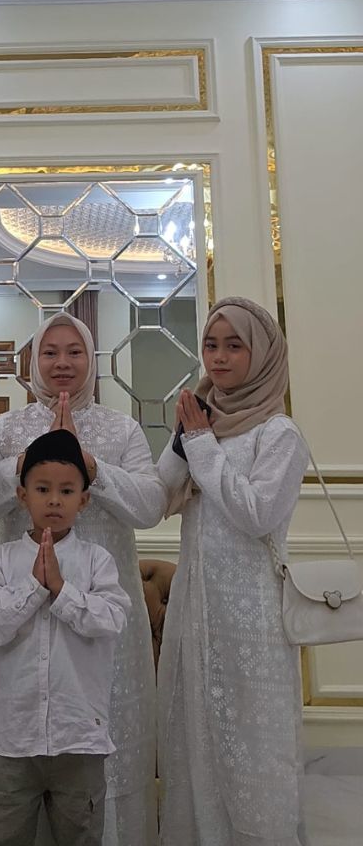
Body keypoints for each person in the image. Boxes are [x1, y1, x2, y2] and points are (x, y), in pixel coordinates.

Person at [0, 312, 166, 846]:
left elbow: (150, 507)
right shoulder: (8, 428)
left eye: (74, 352)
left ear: (90, 360)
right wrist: (32, 458)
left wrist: (89, 465)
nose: (62, 363)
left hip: (101, 607)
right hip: (22, 607)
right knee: (22, 748)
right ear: (34, 361)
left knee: (101, 740)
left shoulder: (121, 429)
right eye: (50, 352)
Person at [156, 296, 309, 846]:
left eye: (234, 346)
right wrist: (185, 438)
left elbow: (255, 513)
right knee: (195, 732)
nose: (218, 358)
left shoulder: (279, 434)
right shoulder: (203, 422)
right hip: (196, 608)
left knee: (253, 739)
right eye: (210, 345)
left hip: (252, 618)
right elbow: (159, 496)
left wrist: (201, 443)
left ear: (262, 354)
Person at [0, 428, 129, 846]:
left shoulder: (97, 561)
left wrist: (61, 589)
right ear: (22, 496)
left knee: (81, 836)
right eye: (42, 489)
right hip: (13, 738)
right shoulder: (3, 560)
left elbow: (112, 620)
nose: (55, 500)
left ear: (84, 499)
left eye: (67, 490)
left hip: (79, 737)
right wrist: (34, 588)